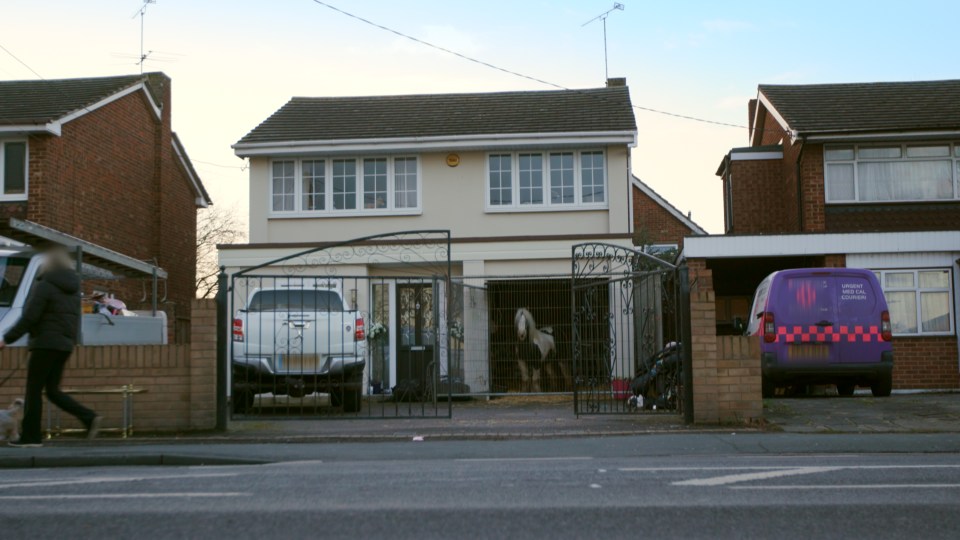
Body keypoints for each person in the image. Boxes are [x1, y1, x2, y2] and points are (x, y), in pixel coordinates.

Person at [0, 247, 101, 447]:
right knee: (52, 390)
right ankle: (88, 417)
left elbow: (30, 316)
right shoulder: (72, 289)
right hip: (64, 345)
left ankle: (31, 437)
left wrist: (7, 339)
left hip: (45, 344)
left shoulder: (45, 285)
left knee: (33, 391)